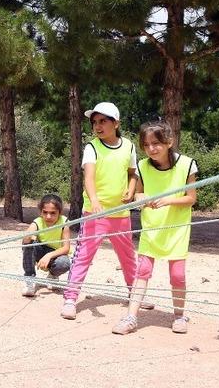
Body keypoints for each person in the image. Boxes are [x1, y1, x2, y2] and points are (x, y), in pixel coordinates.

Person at [112, 121, 197, 335]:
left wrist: (168, 200)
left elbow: (191, 198)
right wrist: (142, 198)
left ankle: (179, 315)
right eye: (147, 144)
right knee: (142, 272)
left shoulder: (187, 164)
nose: (151, 149)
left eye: (156, 143)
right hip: (151, 228)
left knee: (177, 275)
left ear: (169, 142)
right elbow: (139, 194)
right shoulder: (142, 166)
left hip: (176, 230)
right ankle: (131, 317)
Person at [61, 102, 138, 320]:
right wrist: (94, 200)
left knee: (128, 257)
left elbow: (133, 173)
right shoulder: (92, 147)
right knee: (83, 256)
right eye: (95, 122)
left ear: (116, 123)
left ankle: (135, 294)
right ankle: (70, 298)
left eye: (103, 121)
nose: (98, 126)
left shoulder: (129, 146)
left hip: (121, 213)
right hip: (95, 213)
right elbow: (89, 177)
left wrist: (131, 190)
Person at [20, 194, 72, 297]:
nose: (48, 216)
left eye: (53, 213)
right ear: (41, 212)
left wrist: (48, 256)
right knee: (28, 245)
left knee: (65, 263)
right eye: (45, 212)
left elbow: (66, 248)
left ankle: (52, 276)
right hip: (40, 251)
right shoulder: (37, 222)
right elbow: (25, 240)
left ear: (59, 212)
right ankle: (29, 280)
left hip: (55, 255)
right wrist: (28, 236)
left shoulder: (64, 223)